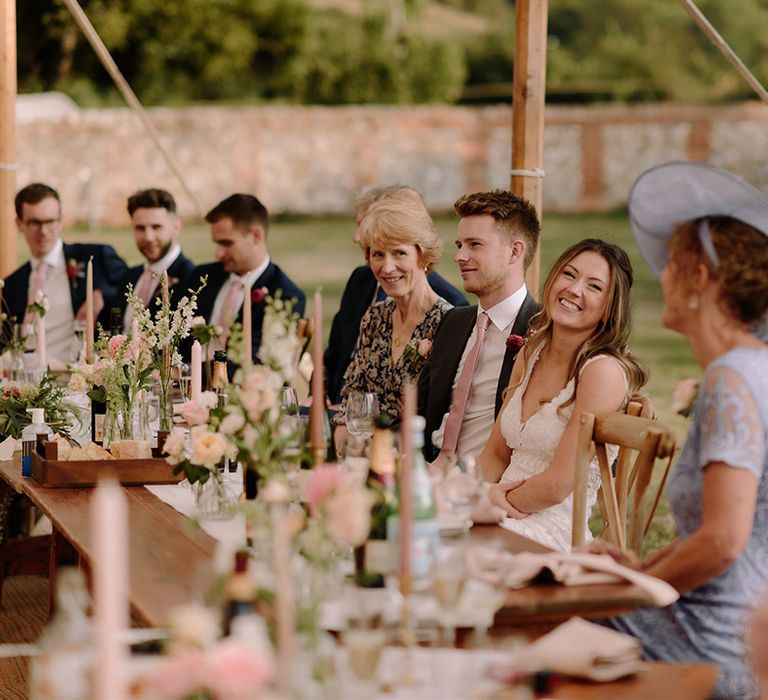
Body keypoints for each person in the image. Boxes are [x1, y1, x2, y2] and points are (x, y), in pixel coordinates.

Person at [590, 161, 768, 700]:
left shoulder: (730, 379)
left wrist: (640, 587)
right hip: (729, 627)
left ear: (701, 278)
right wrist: (642, 568)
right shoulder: (753, 367)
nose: (661, 274)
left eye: (672, 263)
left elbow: (723, 540)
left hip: (710, 642)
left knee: (536, 644)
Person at [480, 238, 647, 551]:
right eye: (569, 275)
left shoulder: (602, 372)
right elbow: (495, 455)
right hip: (498, 510)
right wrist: (475, 498)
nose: (574, 289)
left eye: (594, 286)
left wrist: (491, 502)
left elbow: (558, 485)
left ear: (611, 307)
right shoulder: (531, 352)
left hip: (552, 528)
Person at [418, 189, 542, 464]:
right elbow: (420, 411)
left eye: (474, 245)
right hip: (428, 474)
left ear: (514, 251)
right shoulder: (453, 322)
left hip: (489, 486)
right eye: (459, 245)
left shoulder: (544, 332)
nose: (460, 256)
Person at [324, 185, 467, 405]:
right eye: (378, 255)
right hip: (362, 435)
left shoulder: (448, 323)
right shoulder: (374, 317)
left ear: (424, 255)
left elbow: (442, 412)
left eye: (399, 253)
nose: (387, 268)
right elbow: (352, 399)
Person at [1, 182, 128, 365]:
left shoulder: (96, 256)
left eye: (50, 221)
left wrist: (101, 295)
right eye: (34, 222)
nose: (43, 231)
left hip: (78, 377)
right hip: (26, 381)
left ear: (60, 221)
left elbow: (132, 288)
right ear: (19, 224)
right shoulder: (12, 284)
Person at [187, 194, 305, 364]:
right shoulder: (203, 276)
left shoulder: (285, 296)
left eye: (226, 243)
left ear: (256, 236)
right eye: (216, 243)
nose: (218, 254)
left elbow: (254, 363)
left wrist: (185, 372)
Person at [104, 188, 195, 332]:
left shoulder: (192, 278)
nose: (148, 237)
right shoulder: (131, 275)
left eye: (156, 227)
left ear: (176, 227)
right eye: (140, 228)